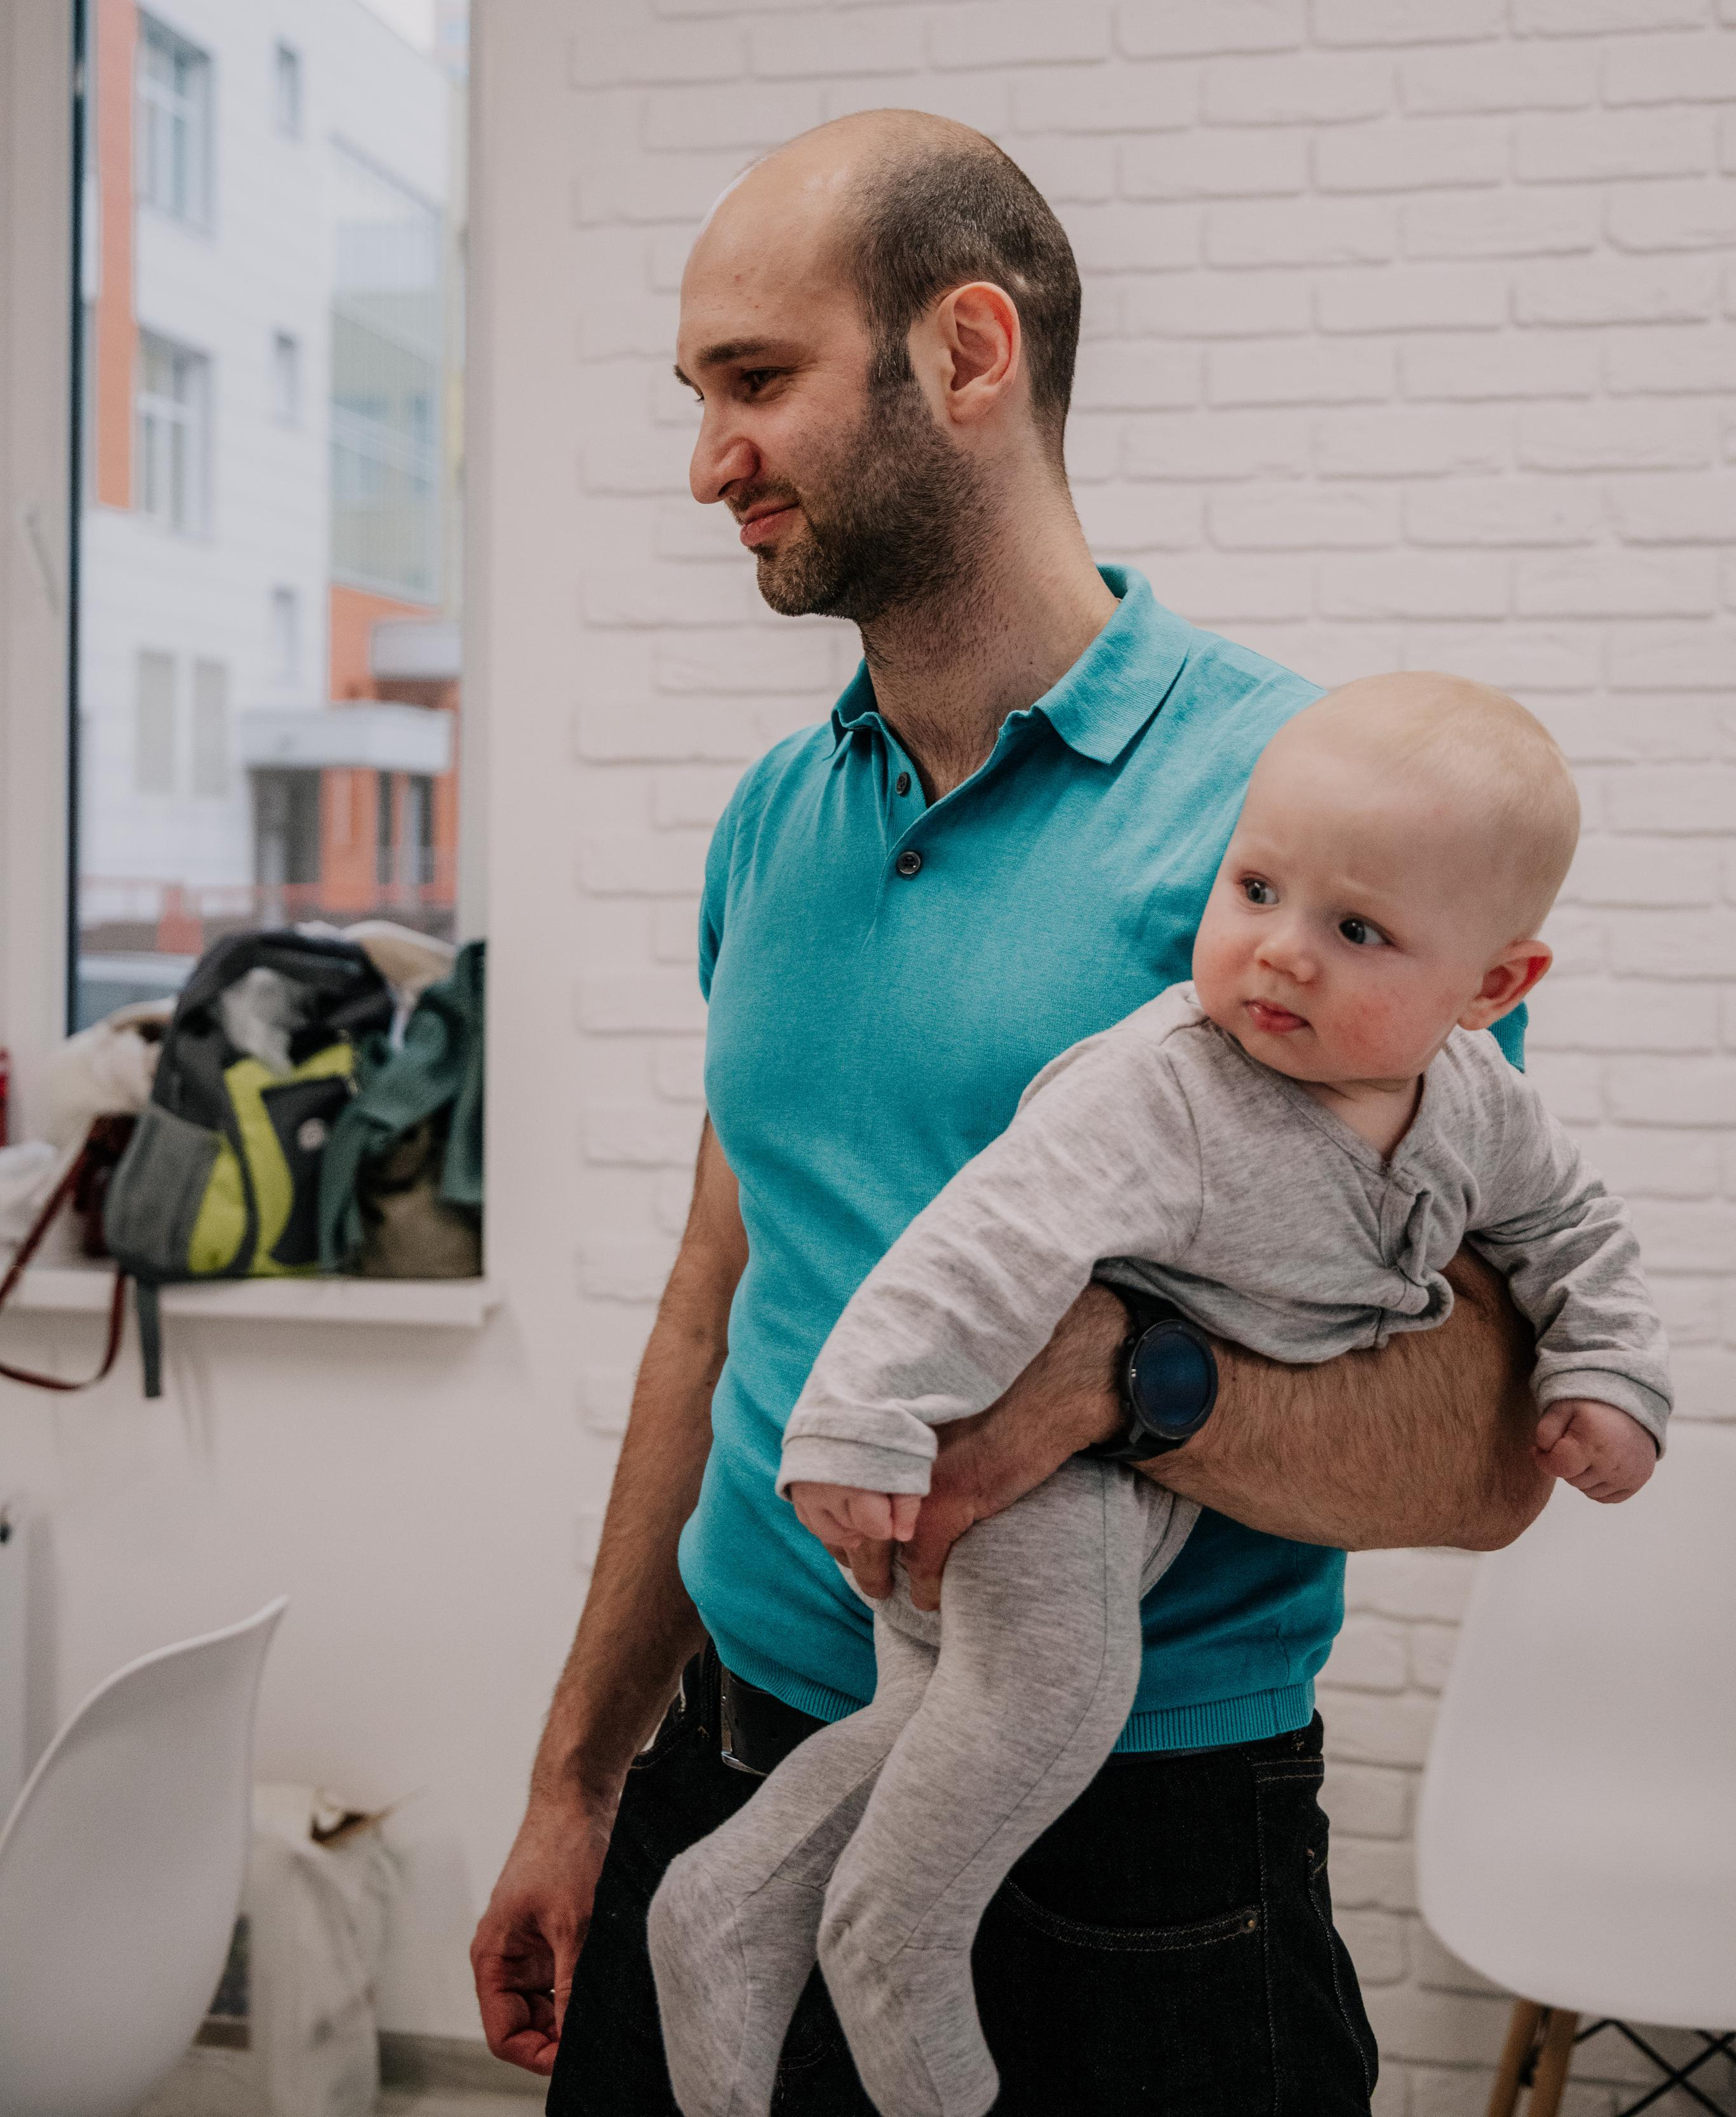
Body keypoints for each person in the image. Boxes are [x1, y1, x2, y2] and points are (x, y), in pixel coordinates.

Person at [472, 110, 1558, 2116]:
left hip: (1130, 1852)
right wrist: (576, 1775)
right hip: (729, 1768)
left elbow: (1491, 1445)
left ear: (967, 352)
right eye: (697, 393)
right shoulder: (776, 817)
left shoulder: (1306, 830)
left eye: (756, 379)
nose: (709, 458)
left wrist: (1130, 1387)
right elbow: (719, 1300)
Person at [646, 673, 1669, 2117]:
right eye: (1254, 890)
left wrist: (1606, 1367)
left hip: (1147, 1488)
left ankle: (732, 1901)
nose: (1280, 951)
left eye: (1357, 931)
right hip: (1032, 1474)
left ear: (1492, 989)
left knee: (940, 1714)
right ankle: (894, 1934)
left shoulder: (1476, 1106)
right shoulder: (1166, 1088)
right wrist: (864, 1421)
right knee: (1049, 1691)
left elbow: (1573, 1233)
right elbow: (979, 1242)